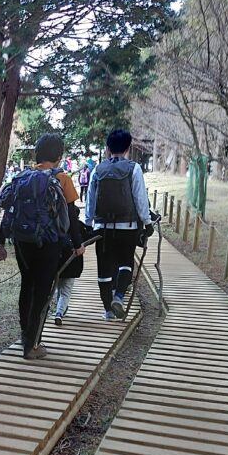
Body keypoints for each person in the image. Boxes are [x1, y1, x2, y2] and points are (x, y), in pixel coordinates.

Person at [0, 134, 77, 359]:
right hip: (48, 243)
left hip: (22, 241)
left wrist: (0, 243)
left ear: (37, 154)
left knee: (27, 285)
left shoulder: (22, 177)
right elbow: (71, 215)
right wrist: (77, 245)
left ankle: (26, 336)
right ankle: (33, 344)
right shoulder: (62, 178)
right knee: (42, 290)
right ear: (59, 157)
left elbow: (10, 210)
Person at [85, 128, 153, 320]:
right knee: (126, 263)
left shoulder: (97, 170)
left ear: (108, 148)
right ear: (128, 148)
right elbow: (140, 198)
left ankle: (108, 311)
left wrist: (88, 223)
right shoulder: (134, 168)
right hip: (128, 227)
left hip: (102, 229)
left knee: (104, 270)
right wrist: (147, 222)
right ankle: (119, 297)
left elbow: (91, 199)